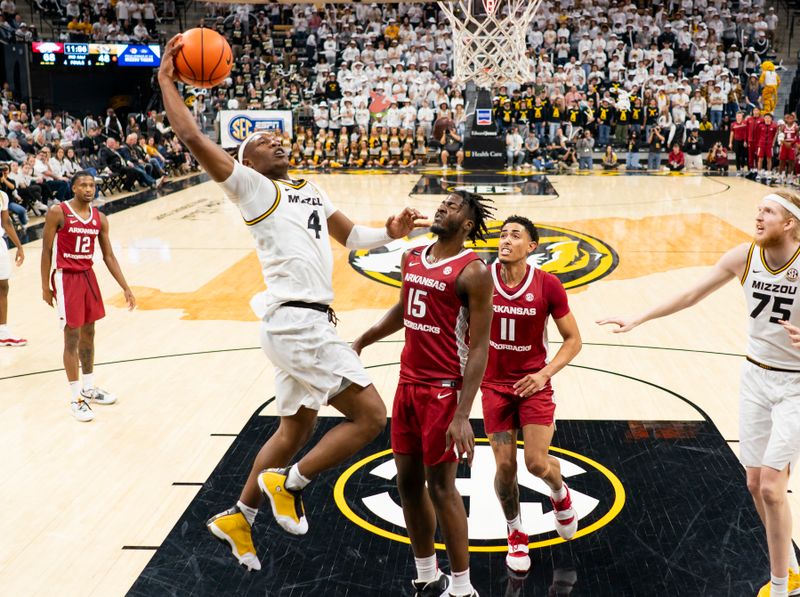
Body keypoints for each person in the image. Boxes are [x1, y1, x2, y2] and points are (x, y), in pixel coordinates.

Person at [158, 34, 426, 573]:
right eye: (262, 138)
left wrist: (391, 232)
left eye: (280, 137)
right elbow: (189, 134)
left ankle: (240, 515)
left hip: (300, 324)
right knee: (371, 416)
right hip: (298, 324)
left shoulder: (311, 189)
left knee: (295, 431)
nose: (276, 141)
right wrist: (166, 79)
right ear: (245, 159)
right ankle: (293, 482)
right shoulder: (251, 187)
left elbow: (354, 240)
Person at [598, 190, 800, 597]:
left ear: (790, 223)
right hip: (755, 378)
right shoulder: (745, 256)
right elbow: (692, 293)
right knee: (753, 482)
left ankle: (782, 589)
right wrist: (639, 317)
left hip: (796, 383)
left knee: (771, 488)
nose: (757, 216)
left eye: (767, 211)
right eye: (757, 208)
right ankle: (791, 568)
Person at [353, 190, 495, 597]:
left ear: (467, 224)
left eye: (452, 207)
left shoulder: (473, 272)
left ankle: (464, 587)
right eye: (442, 203)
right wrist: (363, 338)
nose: (442, 208)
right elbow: (404, 309)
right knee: (407, 483)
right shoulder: (412, 257)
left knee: (443, 487)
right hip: (408, 384)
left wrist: (464, 414)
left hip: (444, 391)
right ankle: (426, 575)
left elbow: (480, 347)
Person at [480, 215, 582, 574]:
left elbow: (574, 340)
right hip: (494, 386)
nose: (506, 240)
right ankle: (515, 532)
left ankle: (559, 493)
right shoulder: (481, 278)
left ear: (532, 246)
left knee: (537, 463)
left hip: (533, 385)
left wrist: (543, 374)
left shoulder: (548, 284)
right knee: (504, 468)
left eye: (515, 235)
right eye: (502, 234)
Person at [40, 171, 136, 421]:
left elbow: (109, 256)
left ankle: (89, 388)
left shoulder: (100, 218)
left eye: (92, 185)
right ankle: (76, 398)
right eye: (83, 185)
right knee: (71, 335)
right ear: (73, 188)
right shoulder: (57, 212)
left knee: (89, 333)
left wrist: (125, 286)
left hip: (88, 276)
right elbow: (46, 250)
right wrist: (44, 286)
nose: (88, 189)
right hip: (66, 277)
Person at [0, 183, 25, 346]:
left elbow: (6, 222)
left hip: (0, 244)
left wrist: (19, 246)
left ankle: (3, 331)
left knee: (3, 286)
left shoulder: (2, 195)